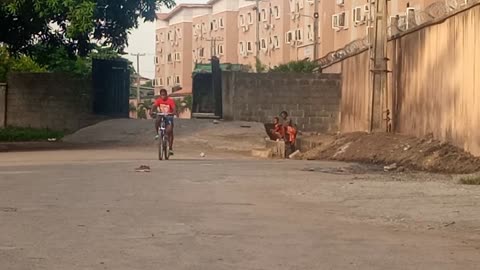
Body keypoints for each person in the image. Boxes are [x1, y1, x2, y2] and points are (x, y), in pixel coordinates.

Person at [152, 89, 176, 155]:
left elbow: (174, 108)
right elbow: (154, 106)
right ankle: (158, 134)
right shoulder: (159, 100)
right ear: (160, 95)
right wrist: (151, 111)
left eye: (164, 95)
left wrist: (173, 112)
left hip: (169, 116)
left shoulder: (170, 101)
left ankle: (170, 148)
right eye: (162, 95)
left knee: (170, 131)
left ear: (166, 95)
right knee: (157, 120)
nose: (163, 96)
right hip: (161, 115)